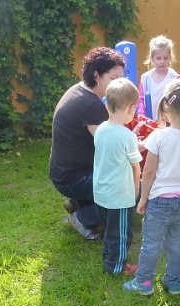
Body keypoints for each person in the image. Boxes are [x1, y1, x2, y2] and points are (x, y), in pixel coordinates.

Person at [124, 79, 180, 296]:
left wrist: (142, 199)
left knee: (151, 244)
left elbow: (149, 172)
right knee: (175, 244)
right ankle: (174, 283)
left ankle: (143, 283)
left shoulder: (159, 136)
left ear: (166, 106)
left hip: (159, 200)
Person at [50, 47, 126, 241]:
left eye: (121, 78)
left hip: (63, 172)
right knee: (126, 188)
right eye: (113, 78)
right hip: (73, 178)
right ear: (96, 75)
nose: (118, 84)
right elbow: (111, 149)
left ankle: (79, 202)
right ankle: (82, 217)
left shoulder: (79, 90)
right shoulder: (91, 105)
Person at [93, 78, 142, 275]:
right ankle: (117, 267)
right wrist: (137, 190)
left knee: (109, 230)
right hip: (119, 198)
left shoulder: (101, 129)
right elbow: (135, 168)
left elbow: (116, 152)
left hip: (101, 193)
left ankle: (108, 257)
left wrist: (133, 139)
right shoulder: (126, 136)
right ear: (131, 108)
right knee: (122, 235)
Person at [137, 35, 180, 121]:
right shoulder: (145, 79)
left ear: (170, 58)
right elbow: (140, 100)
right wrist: (143, 116)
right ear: (152, 59)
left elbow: (178, 101)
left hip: (169, 122)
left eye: (165, 58)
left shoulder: (175, 78)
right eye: (158, 58)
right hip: (149, 122)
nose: (162, 61)